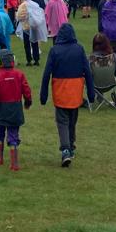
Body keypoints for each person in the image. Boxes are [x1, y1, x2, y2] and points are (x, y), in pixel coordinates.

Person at [39, 23, 94, 167]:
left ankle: (65, 149)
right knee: (72, 120)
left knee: (62, 121)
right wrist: (91, 93)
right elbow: (87, 72)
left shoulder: (55, 50)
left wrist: (43, 95)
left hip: (60, 89)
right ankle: (71, 146)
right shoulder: (79, 49)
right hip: (76, 91)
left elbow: (46, 74)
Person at [0, 48, 32, 170]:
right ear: (13, 61)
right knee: (13, 135)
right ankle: (14, 163)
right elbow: (27, 91)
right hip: (15, 110)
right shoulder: (19, 75)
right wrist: (28, 102)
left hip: (0, 110)